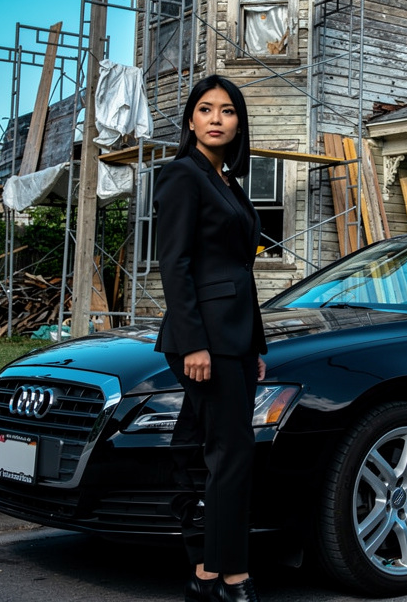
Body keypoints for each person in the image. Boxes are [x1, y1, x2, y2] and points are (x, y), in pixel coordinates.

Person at [154, 75, 267, 602]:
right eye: (206, 109)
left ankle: (202, 571)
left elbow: (241, 270)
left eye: (227, 110)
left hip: (237, 339)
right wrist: (194, 342)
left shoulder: (229, 183)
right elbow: (174, 266)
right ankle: (231, 575)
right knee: (233, 451)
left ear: (238, 122)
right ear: (191, 121)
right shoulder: (182, 175)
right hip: (205, 340)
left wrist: (257, 346)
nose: (217, 118)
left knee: (191, 449)